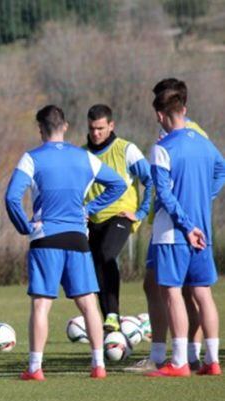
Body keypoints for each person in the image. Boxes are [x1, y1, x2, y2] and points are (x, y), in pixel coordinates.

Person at [4, 105, 126, 381]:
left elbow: (11, 198)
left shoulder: (31, 158)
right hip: (77, 238)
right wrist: (89, 209)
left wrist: (25, 227)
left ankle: (35, 368)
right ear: (66, 126)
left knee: (41, 305)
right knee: (88, 304)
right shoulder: (84, 157)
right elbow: (118, 184)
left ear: (40, 129)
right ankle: (99, 365)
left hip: (45, 239)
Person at [128, 78, 210, 373]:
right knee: (157, 285)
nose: (157, 116)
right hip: (168, 221)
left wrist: (200, 198)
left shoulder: (190, 133)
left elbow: (214, 171)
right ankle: (164, 354)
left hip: (181, 224)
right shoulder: (167, 133)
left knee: (185, 290)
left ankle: (188, 355)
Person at [145, 89, 224, 377]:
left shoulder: (163, 147)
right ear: (184, 110)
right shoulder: (204, 143)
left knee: (172, 293)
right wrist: (205, 197)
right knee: (203, 293)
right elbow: (221, 170)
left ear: (161, 115)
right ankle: (212, 361)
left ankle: (178, 362)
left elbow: (164, 194)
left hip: (174, 234)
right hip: (203, 229)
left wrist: (185, 225)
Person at [83, 104, 152, 331]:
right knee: (96, 266)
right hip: (93, 219)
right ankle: (110, 323)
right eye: (92, 128)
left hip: (121, 215)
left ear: (111, 126)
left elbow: (150, 180)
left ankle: (113, 314)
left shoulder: (126, 149)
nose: (96, 133)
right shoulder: (82, 154)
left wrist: (141, 212)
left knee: (106, 253)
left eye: (101, 128)